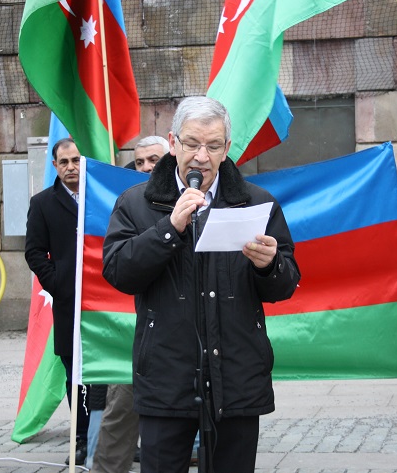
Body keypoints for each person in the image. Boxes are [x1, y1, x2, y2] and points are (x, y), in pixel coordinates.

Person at [102, 96, 301, 472]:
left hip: (237, 378)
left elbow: (285, 284)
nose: (201, 157)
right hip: (166, 379)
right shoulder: (136, 203)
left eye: (212, 146)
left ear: (227, 149)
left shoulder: (256, 204)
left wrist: (270, 265)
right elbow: (118, 272)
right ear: (173, 142)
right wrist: (168, 229)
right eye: (191, 144)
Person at [90, 135, 169, 473]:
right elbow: (118, 263)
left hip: (193, 333)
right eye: (140, 162)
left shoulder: (201, 198)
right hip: (137, 329)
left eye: (154, 159)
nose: (146, 167)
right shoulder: (127, 202)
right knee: (122, 409)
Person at [25, 137, 90, 465]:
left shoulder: (102, 195)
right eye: (64, 162)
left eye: (76, 160)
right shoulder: (43, 203)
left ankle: (106, 434)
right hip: (68, 302)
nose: (71, 167)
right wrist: (58, 282)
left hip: (105, 298)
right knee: (75, 373)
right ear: (54, 166)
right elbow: (33, 252)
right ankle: (81, 437)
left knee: (106, 373)